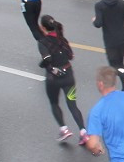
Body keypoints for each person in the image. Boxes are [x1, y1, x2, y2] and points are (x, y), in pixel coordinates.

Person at [38, 15, 89, 144]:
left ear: (43, 28)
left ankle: (64, 129)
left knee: (54, 103)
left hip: (53, 80)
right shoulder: (62, 40)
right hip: (68, 77)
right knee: (72, 104)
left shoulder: (43, 42)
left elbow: (47, 59)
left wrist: (44, 65)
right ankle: (83, 132)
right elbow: (70, 56)